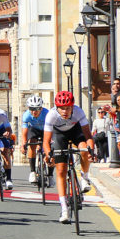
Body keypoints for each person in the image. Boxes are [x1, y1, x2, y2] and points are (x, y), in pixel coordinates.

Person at [42, 90, 96, 223]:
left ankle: (85, 178)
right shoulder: (51, 115)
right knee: (61, 170)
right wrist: (49, 154)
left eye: (68, 108)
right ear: (56, 108)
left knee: (83, 147)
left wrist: (91, 150)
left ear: (72, 107)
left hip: (75, 131)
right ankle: (64, 209)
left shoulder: (78, 112)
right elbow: (46, 141)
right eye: (62, 109)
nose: (65, 111)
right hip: (59, 135)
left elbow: (88, 136)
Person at [20, 95, 50, 183]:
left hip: (46, 130)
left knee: (50, 149)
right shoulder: (26, 115)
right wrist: (23, 144)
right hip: (34, 130)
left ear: (41, 108)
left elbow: (52, 129)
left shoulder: (47, 114)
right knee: (31, 144)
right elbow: (25, 131)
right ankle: (32, 172)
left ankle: (50, 175)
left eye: (37, 109)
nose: (34, 111)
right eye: (32, 109)